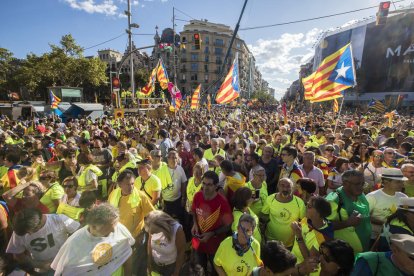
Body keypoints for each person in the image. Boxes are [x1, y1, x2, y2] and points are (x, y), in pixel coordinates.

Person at [51, 203, 135, 276]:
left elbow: (126, 253)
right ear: (94, 226)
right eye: (110, 226)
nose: (114, 230)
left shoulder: (117, 227)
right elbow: (70, 271)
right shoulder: (74, 243)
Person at [6, 208, 80, 275]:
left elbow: (79, 234)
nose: (30, 234)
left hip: (68, 263)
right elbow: (18, 255)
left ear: (40, 221)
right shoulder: (22, 229)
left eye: (34, 230)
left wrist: (73, 253)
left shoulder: (59, 219)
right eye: (27, 232)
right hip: (45, 270)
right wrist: (39, 264)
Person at [191, 171, 233, 275]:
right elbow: (194, 212)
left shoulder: (222, 202)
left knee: (215, 272)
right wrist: (195, 224)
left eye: (209, 184)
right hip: (198, 243)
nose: (205, 187)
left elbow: (228, 226)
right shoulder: (197, 196)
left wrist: (212, 234)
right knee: (199, 270)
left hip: (215, 246)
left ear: (216, 186)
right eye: (204, 183)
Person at [326, 170, 371, 253]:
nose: (361, 187)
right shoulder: (334, 199)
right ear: (345, 183)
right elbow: (322, 225)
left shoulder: (361, 194)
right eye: (357, 184)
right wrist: (347, 223)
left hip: (364, 250)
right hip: (344, 254)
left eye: (363, 184)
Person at [291, 196, 333, 275]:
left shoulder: (323, 237)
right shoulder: (307, 220)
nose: (306, 207)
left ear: (319, 213)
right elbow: (300, 229)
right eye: (307, 205)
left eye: (309, 206)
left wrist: (299, 236)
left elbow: (309, 260)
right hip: (293, 262)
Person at [261, 178, 306, 249]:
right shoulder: (270, 199)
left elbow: (303, 221)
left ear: (292, 188)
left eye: (288, 186)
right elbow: (264, 216)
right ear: (278, 187)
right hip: (271, 240)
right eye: (282, 185)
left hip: (290, 243)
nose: (285, 189)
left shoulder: (299, 202)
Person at [366, 168, 408, 244]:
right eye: (398, 182)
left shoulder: (404, 197)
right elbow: (364, 216)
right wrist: (385, 222)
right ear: (386, 182)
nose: (402, 184)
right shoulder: (372, 197)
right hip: (374, 238)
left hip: (397, 239)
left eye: (402, 181)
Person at [145, 210, 186, 276]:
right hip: (155, 264)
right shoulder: (151, 225)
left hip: (170, 267)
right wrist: (149, 263)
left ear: (162, 226)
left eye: (155, 232)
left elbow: (181, 251)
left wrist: (176, 272)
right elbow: (149, 245)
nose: (152, 234)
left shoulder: (177, 230)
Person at [164, 150, 187, 222]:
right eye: (171, 157)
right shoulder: (162, 170)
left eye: (175, 157)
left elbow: (184, 183)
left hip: (177, 200)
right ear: (167, 159)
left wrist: (183, 197)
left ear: (178, 159)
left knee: (178, 220)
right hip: (165, 201)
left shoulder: (180, 169)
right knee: (167, 221)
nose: (173, 159)